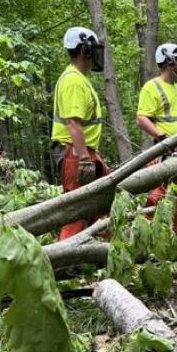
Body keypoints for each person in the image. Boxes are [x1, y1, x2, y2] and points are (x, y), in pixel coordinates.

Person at [51, 26, 109, 241]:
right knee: (77, 210)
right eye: (93, 49)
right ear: (85, 50)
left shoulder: (79, 79)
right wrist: (84, 158)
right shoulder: (73, 81)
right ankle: (64, 262)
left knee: (102, 203)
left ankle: (100, 254)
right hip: (75, 153)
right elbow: (73, 123)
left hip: (84, 151)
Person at [136, 43, 177, 230]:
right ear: (169, 61)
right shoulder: (152, 87)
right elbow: (141, 118)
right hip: (165, 150)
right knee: (158, 194)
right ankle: (149, 230)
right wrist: (162, 137)